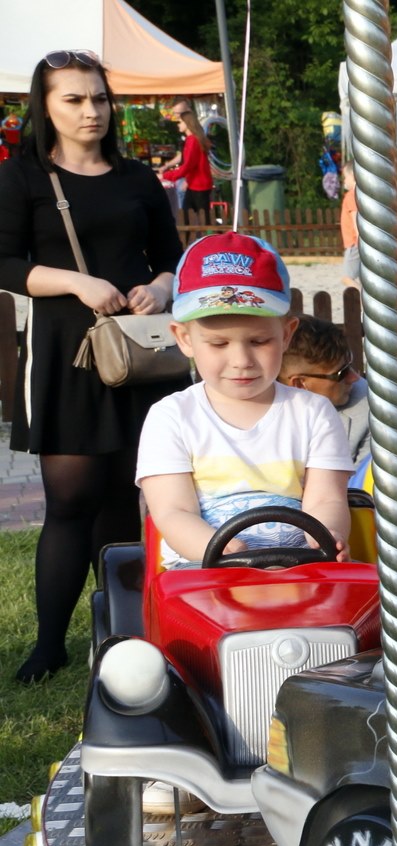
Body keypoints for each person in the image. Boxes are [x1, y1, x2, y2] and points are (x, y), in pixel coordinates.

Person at [0, 50, 185, 682]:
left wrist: (160, 290)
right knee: (71, 499)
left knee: (129, 499)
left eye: (99, 99)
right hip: (66, 356)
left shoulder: (137, 179)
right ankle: (50, 644)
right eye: (74, 100)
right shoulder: (23, 177)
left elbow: (172, 256)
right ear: (45, 106)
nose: (91, 111)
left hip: (141, 355)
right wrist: (76, 283)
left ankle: (120, 636)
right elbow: (3, 263)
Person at [137, 231, 353, 569]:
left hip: (299, 563)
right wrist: (227, 551)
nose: (241, 360)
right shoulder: (172, 417)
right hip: (203, 567)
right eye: (219, 344)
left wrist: (328, 534)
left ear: (286, 334)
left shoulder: (313, 412)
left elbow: (326, 497)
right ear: (184, 338)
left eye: (258, 341)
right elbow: (173, 511)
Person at [279, 313, 369, 465]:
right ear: (300, 384)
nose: (354, 378)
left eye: (350, 365)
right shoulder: (251, 414)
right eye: (341, 373)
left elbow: (364, 480)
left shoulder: (369, 405)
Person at [160, 99, 213, 217]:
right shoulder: (192, 140)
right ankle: (189, 235)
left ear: (187, 123)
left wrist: (165, 175)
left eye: (179, 122)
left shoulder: (193, 140)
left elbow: (188, 165)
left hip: (199, 185)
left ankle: (214, 235)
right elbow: (189, 162)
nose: (177, 124)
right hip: (195, 184)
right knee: (187, 217)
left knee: (203, 219)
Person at [339, 160, 358, 287]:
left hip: (355, 243)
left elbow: (355, 218)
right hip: (359, 242)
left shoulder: (351, 195)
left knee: (347, 278)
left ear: (353, 175)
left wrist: (358, 239)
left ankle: (364, 299)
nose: (344, 181)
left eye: (345, 177)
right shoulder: (362, 194)